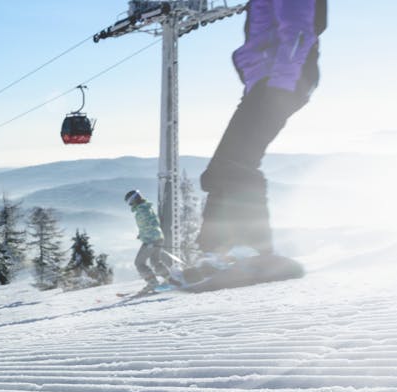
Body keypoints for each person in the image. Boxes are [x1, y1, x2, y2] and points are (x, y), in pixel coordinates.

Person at [197, 0, 326, 257]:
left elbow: (299, 29)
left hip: (282, 81)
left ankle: (254, 251)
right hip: (267, 82)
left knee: (237, 164)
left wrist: (280, 84)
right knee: (220, 171)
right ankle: (214, 253)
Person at [126, 190, 175, 290]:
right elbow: (152, 223)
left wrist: (150, 240)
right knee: (155, 261)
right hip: (157, 237)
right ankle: (169, 278)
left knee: (139, 263)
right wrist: (142, 234)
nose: (130, 205)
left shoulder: (142, 210)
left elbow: (151, 224)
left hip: (151, 240)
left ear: (134, 200)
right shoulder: (146, 207)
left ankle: (153, 283)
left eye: (130, 202)